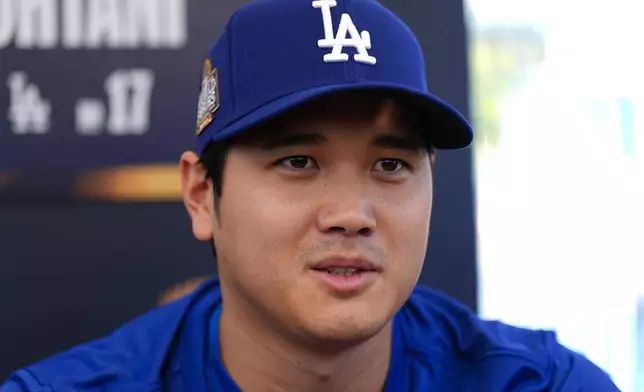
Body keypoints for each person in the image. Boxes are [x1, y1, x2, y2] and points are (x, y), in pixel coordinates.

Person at [1, 0, 621, 391]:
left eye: (391, 163)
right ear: (200, 194)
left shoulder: (541, 384)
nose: (352, 215)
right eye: (298, 161)